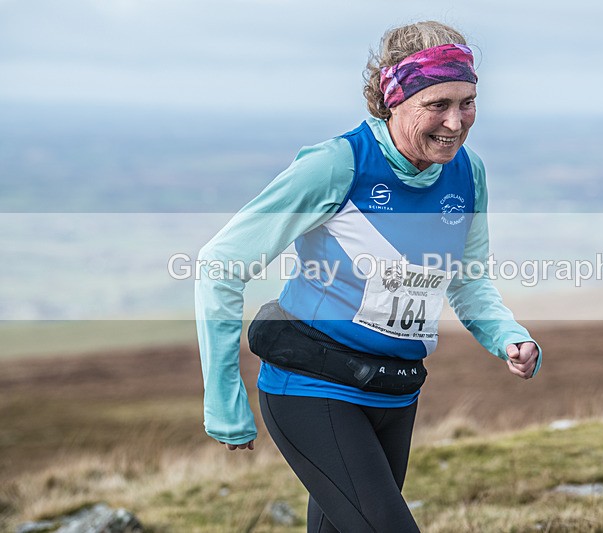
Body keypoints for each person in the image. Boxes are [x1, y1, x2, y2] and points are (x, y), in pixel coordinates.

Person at [195, 20, 542, 533]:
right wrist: (225, 403)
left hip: (395, 392)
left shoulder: (468, 173)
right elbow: (219, 265)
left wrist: (508, 336)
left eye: (466, 101)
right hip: (311, 388)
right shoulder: (338, 164)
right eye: (437, 105)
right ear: (392, 100)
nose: (456, 121)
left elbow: (467, 279)